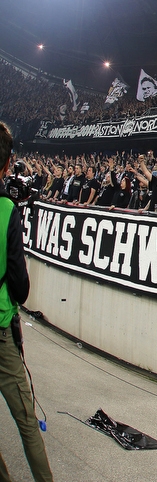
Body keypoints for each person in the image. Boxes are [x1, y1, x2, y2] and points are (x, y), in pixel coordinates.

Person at [0, 122, 55, 482]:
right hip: (1, 331)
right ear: (7, 166)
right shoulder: (7, 209)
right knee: (25, 420)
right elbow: (20, 284)